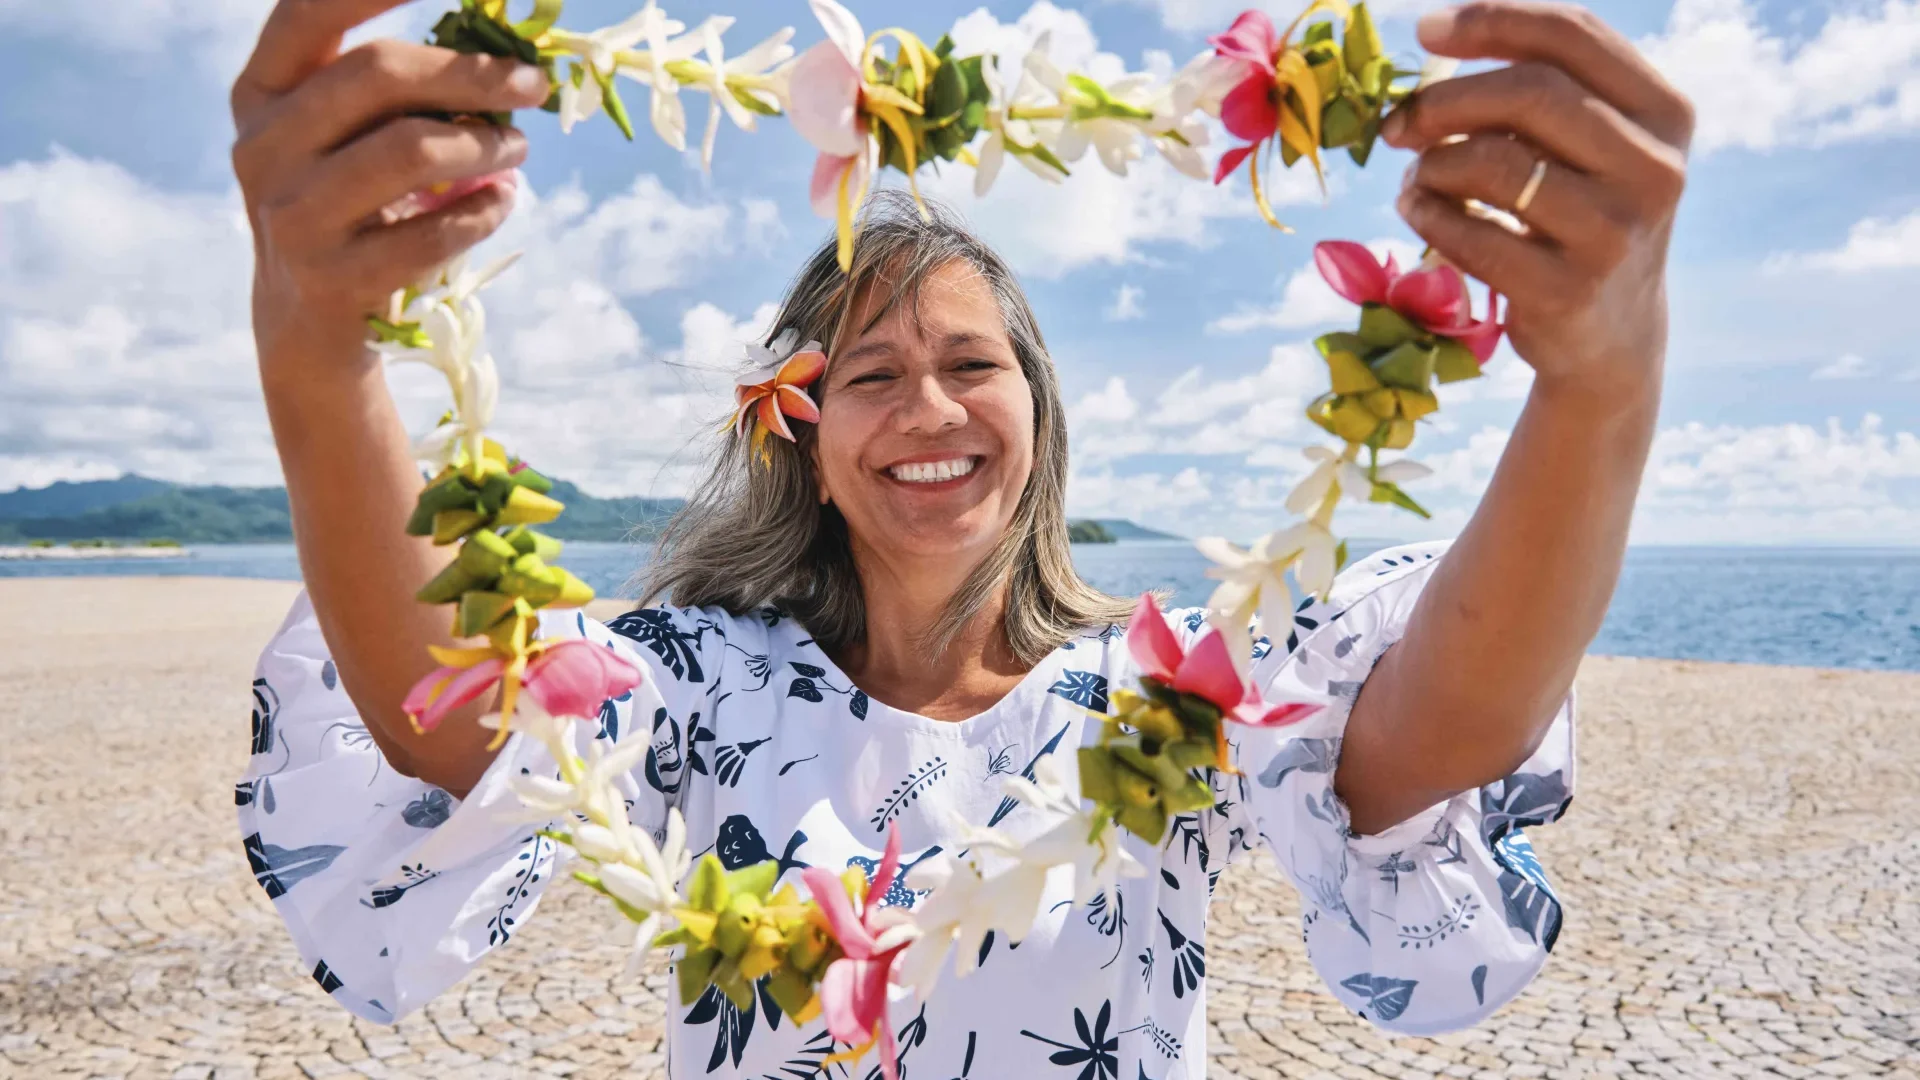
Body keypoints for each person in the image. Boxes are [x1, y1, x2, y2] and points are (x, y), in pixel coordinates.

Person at [229, 0, 1691, 1075]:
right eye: (868, 375)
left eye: (972, 364)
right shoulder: (700, 677)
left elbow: (1428, 741)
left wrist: (1600, 382)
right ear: (798, 434)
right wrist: (321, 357)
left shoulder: (1166, 693)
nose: (928, 407)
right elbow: (466, 727)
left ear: (1038, 415)